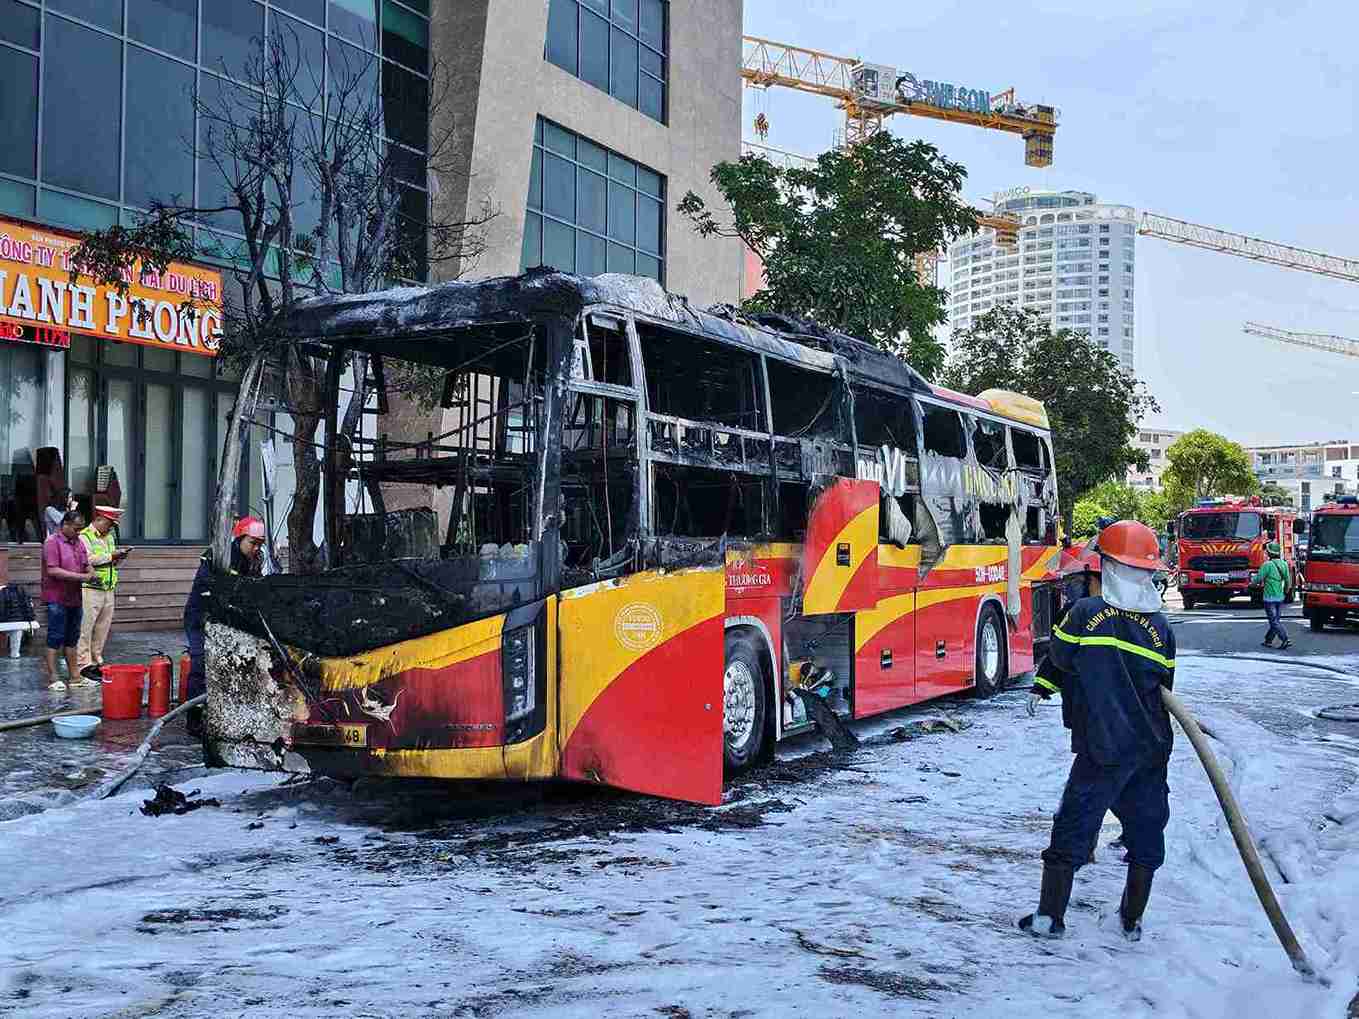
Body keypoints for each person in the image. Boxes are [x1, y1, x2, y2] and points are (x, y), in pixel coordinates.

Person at [1020, 520, 1175, 942]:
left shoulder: (1085, 614)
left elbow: (1061, 658)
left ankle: (1049, 918)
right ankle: (1131, 920)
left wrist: (1045, 686)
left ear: (1105, 567)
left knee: (1074, 823)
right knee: (1146, 829)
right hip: (1150, 748)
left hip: (1103, 747)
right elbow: (1165, 687)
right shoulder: (1162, 628)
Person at [183, 517, 266, 715]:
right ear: (240, 538)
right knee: (201, 662)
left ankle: (224, 709)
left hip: (227, 617)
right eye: (253, 543)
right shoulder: (218, 556)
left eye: (260, 544)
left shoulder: (255, 560)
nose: (256, 548)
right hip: (201, 616)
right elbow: (209, 584)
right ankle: (195, 716)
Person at [41, 510, 97, 690]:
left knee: (72, 638)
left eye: (81, 529)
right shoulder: (52, 542)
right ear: (65, 525)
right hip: (56, 597)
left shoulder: (78, 542)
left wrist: (91, 573)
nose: (79, 532)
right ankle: (53, 678)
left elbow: (86, 564)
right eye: (76, 528)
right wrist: (82, 577)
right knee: (55, 637)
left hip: (74, 597)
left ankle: (75, 677)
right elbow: (53, 570)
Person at [76, 506, 130, 679]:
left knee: (102, 629)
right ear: (99, 520)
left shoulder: (109, 537)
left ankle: (96, 661)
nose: (111, 528)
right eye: (109, 524)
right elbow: (87, 560)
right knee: (86, 628)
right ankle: (83, 664)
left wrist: (119, 558)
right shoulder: (85, 536)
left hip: (108, 588)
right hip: (90, 588)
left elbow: (110, 563)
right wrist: (111, 556)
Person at [1258, 542, 1292, 649]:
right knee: (1275, 620)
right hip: (1280, 597)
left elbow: (1258, 578)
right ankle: (1268, 640)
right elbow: (1288, 581)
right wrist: (1286, 591)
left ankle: (1285, 639)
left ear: (1269, 553)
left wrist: (1251, 585)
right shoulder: (1284, 564)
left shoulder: (1266, 565)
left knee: (1274, 621)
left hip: (1269, 598)